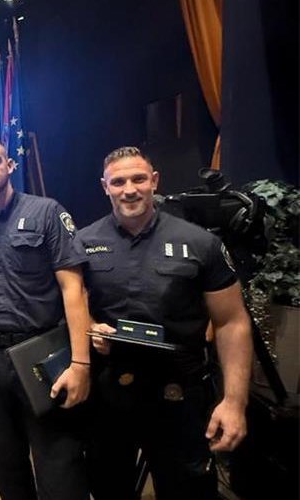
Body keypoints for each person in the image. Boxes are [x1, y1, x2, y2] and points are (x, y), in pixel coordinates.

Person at [76, 146, 252, 500]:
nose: (129, 190)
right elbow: (75, 304)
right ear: (105, 187)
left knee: (186, 489)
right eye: (118, 182)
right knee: (107, 487)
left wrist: (235, 402)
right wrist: (92, 326)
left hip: (178, 390)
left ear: (154, 181)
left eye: (138, 179)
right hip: (110, 390)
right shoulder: (84, 242)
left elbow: (232, 323)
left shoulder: (200, 243)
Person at [0, 136, 91, 500]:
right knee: (5, 460)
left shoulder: (46, 212)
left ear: (10, 165)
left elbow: (73, 289)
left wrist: (81, 363)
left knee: (58, 465)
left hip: (40, 353)